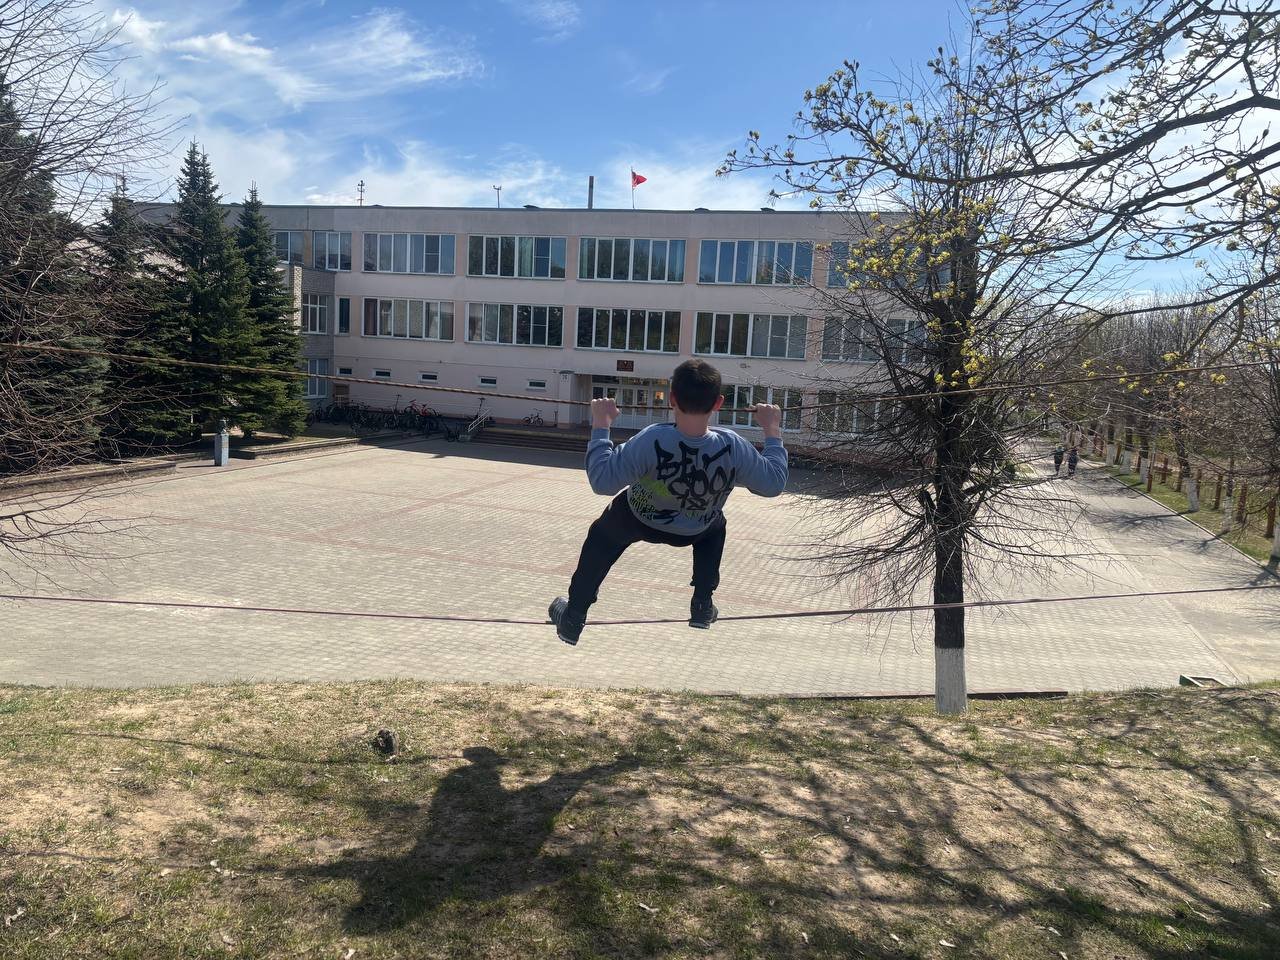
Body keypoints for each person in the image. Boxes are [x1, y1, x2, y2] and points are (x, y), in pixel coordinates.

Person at [549, 359, 789, 645]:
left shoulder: (652, 439)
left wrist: (601, 425)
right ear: (719, 403)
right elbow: (773, 484)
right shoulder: (733, 446)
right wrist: (772, 430)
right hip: (696, 528)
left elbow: (602, 482)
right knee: (716, 526)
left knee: (602, 535)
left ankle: (574, 616)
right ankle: (702, 605)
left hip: (638, 518)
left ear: (672, 398)